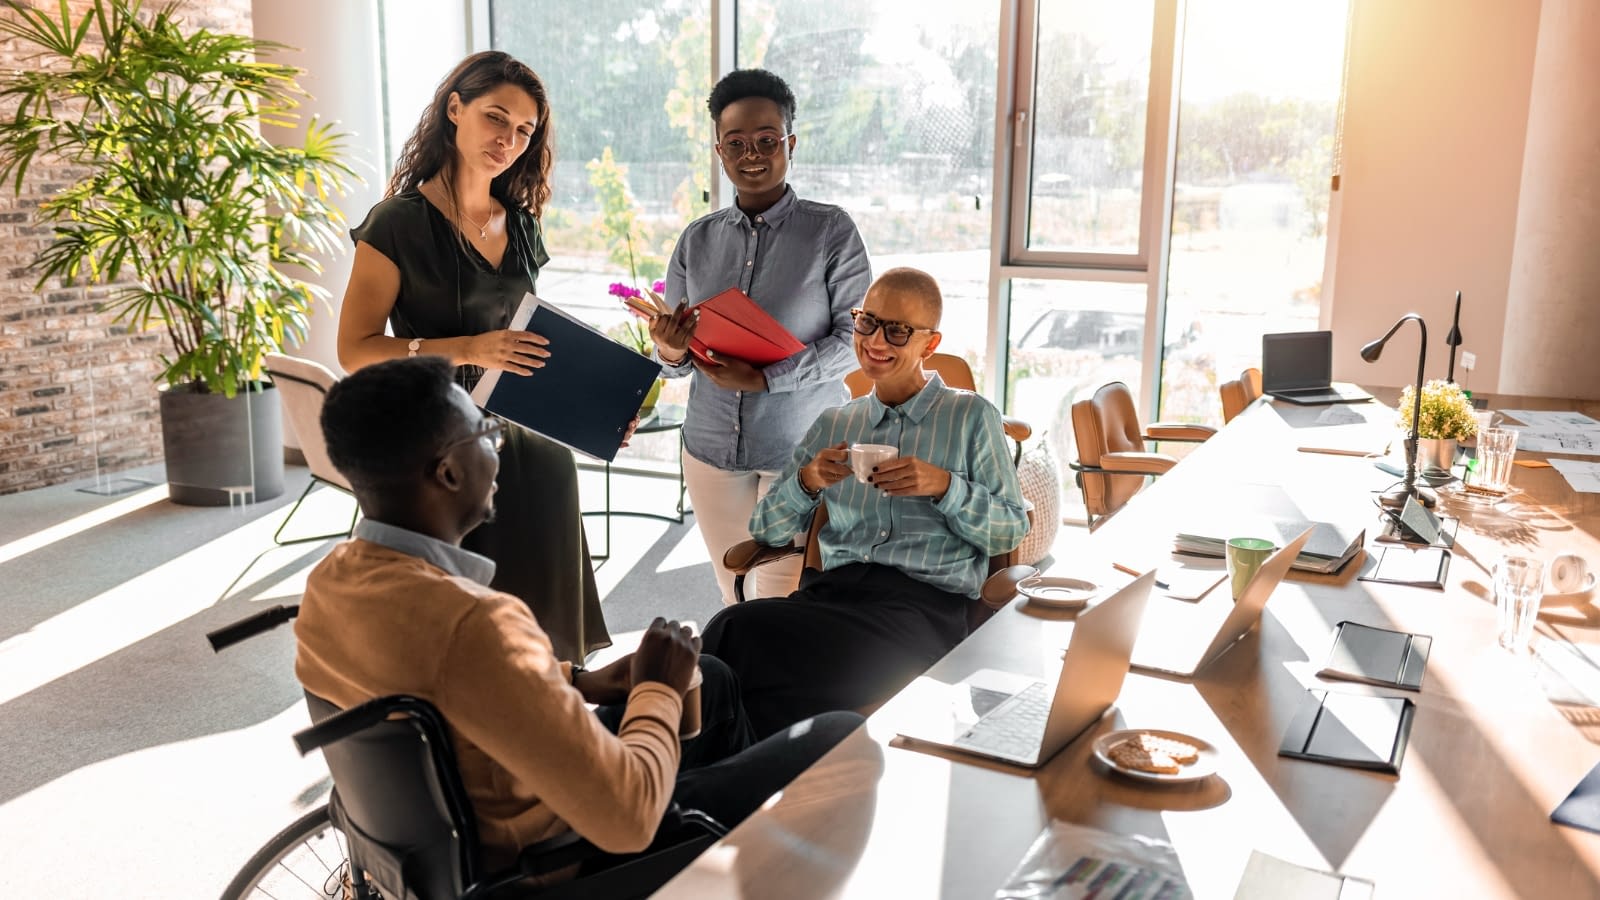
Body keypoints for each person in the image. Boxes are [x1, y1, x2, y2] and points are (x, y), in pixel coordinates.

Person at [294, 355, 862, 875]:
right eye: (488, 434)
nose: (500, 447)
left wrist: (579, 680)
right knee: (840, 734)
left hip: (455, 820)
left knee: (710, 677)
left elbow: (443, 683)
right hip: (556, 859)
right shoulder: (475, 622)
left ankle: (720, 826)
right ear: (447, 473)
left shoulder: (331, 582)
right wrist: (657, 691)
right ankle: (714, 845)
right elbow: (627, 819)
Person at [336, 51, 608, 662]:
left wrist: (597, 401)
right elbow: (354, 350)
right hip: (437, 449)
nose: (508, 139)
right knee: (454, 634)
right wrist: (464, 349)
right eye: (495, 118)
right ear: (454, 109)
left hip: (528, 443)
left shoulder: (523, 225)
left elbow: (530, 342)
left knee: (540, 635)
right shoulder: (396, 223)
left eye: (524, 130)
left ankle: (553, 722)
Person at [700, 268, 1029, 738]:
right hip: (830, 599)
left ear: (929, 345)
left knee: (766, 674)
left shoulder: (971, 417)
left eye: (897, 330)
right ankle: (708, 776)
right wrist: (808, 481)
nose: (876, 340)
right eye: (867, 322)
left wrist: (945, 487)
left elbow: (1011, 530)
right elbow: (767, 529)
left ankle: (724, 776)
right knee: (731, 631)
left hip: (921, 614)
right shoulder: (836, 423)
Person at [648, 68, 872, 606]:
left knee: (779, 598)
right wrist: (671, 348)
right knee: (734, 593)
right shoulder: (697, 240)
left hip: (801, 449)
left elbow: (855, 341)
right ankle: (743, 690)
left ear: (790, 144)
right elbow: (676, 364)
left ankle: (765, 689)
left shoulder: (831, 232)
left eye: (767, 140)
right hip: (709, 449)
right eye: (737, 143)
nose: (753, 154)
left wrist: (767, 377)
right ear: (720, 151)